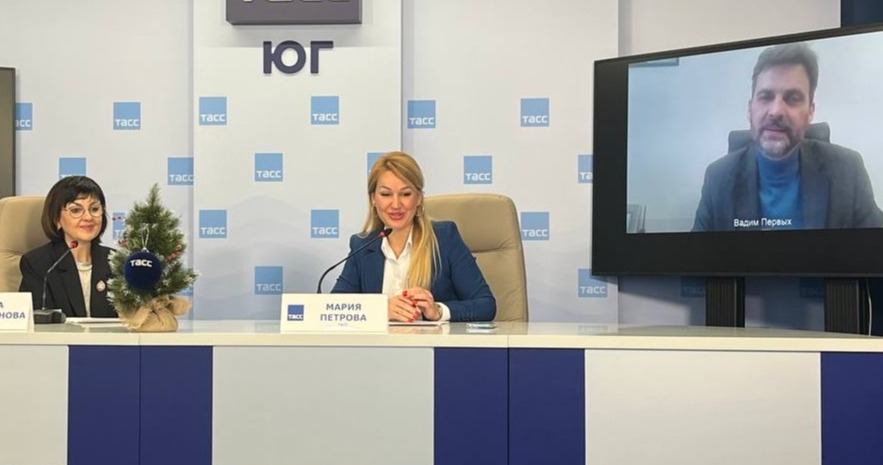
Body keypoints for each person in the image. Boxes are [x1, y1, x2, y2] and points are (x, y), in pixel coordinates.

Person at [693, 42, 883, 231]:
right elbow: (697, 250)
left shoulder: (848, 171)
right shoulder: (718, 179)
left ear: (810, 111)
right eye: (766, 96)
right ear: (750, 109)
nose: (776, 111)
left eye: (792, 98)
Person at [331, 151, 496, 322]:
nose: (396, 204)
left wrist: (438, 311)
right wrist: (381, 310)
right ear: (373, 199)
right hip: (382, 340)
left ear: (419, 198)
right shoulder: (362, 246)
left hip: (430, 340)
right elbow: (334, 308)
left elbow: (486, 305)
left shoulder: (445, 238)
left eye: (406, 194)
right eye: (386, 194)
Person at [19, 176, 116, 318]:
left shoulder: (117, 262)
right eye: (76, 210)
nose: (88, 217)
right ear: (56, 219)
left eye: (94, 209)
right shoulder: (38, 264)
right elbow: (38, 321)